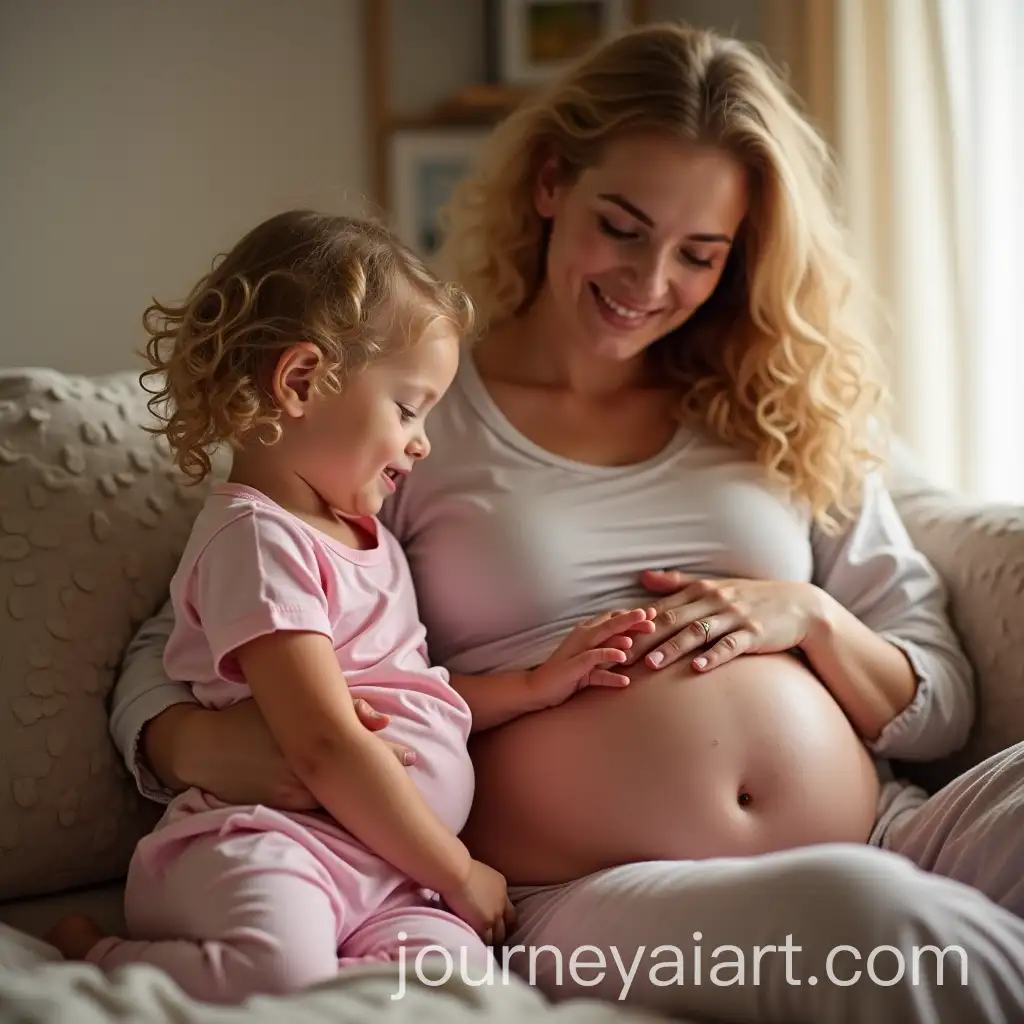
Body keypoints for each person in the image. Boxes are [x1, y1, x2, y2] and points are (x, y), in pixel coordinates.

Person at [108, 23, 1024, 1024]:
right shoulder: (401, 416)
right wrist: (198, 746)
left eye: (699, 254)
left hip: (879, 824)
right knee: (873, 922)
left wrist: (808, 616)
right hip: (578, 895)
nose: (648, 281)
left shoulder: (781, 413)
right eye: (622, 227)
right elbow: (189, 629)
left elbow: (938, 700)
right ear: (550, 183)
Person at [45, 210, 656, 1004]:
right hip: (274, 845)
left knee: (460, 987)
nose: (423, 441)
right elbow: (327, 745)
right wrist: (457, 869)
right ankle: (100, 955)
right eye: (408, 408)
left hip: (387, 870)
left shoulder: (370, 539)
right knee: (278, 968)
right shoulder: (257, 543)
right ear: (301, 381)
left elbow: (409, 699)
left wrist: (537, 684)